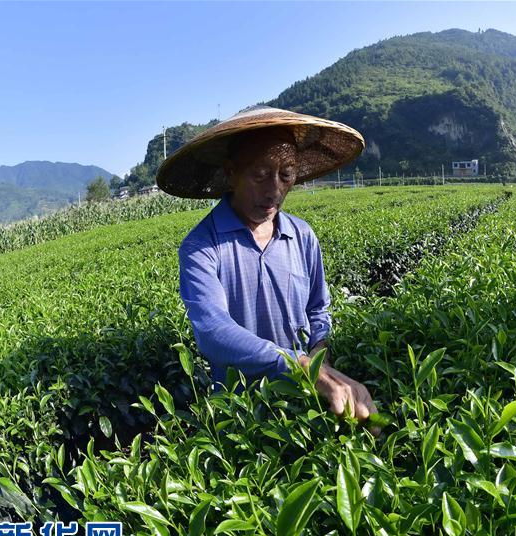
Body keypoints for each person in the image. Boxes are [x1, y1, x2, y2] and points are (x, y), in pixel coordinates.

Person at [157, 106, 378, 427]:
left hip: (308, 402)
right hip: (240, 414)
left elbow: (318, 310)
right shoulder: (202, 246)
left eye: (286, 174)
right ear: (231, 173)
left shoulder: (302, 235)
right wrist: (298, 365)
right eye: (260, 174)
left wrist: (319, 358)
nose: (275, 190)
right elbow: (212, 331)